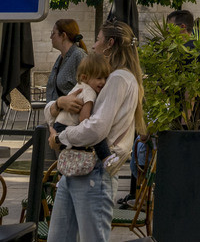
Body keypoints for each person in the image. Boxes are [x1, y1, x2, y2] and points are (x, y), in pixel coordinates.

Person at [50, 21, 145, 242]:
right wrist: (59, 104)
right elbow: (69, 110)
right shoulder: (112, 78)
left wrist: (61, 137)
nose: (93, 46)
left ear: (110, 43)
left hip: (93, 169)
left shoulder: (118, 78)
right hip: (79, 167)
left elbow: (96, 129)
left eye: (98, 39)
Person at [50, 51, 117, 168]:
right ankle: (107, 159)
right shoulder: (89, 92)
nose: (103, 82)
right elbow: (83, 118)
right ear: (84, 77)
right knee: (95, 134)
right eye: (99, 78)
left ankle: (63, 173)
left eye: (105, 78)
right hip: (65, 127)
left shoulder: (79, 86)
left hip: (59, 126)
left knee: (71, 155)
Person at [48, 18, 88, 99]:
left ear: (63, 35)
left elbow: (87, 88)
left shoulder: (79, 55)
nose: (51, 37)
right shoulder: (60, 57)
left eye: (53, 33)